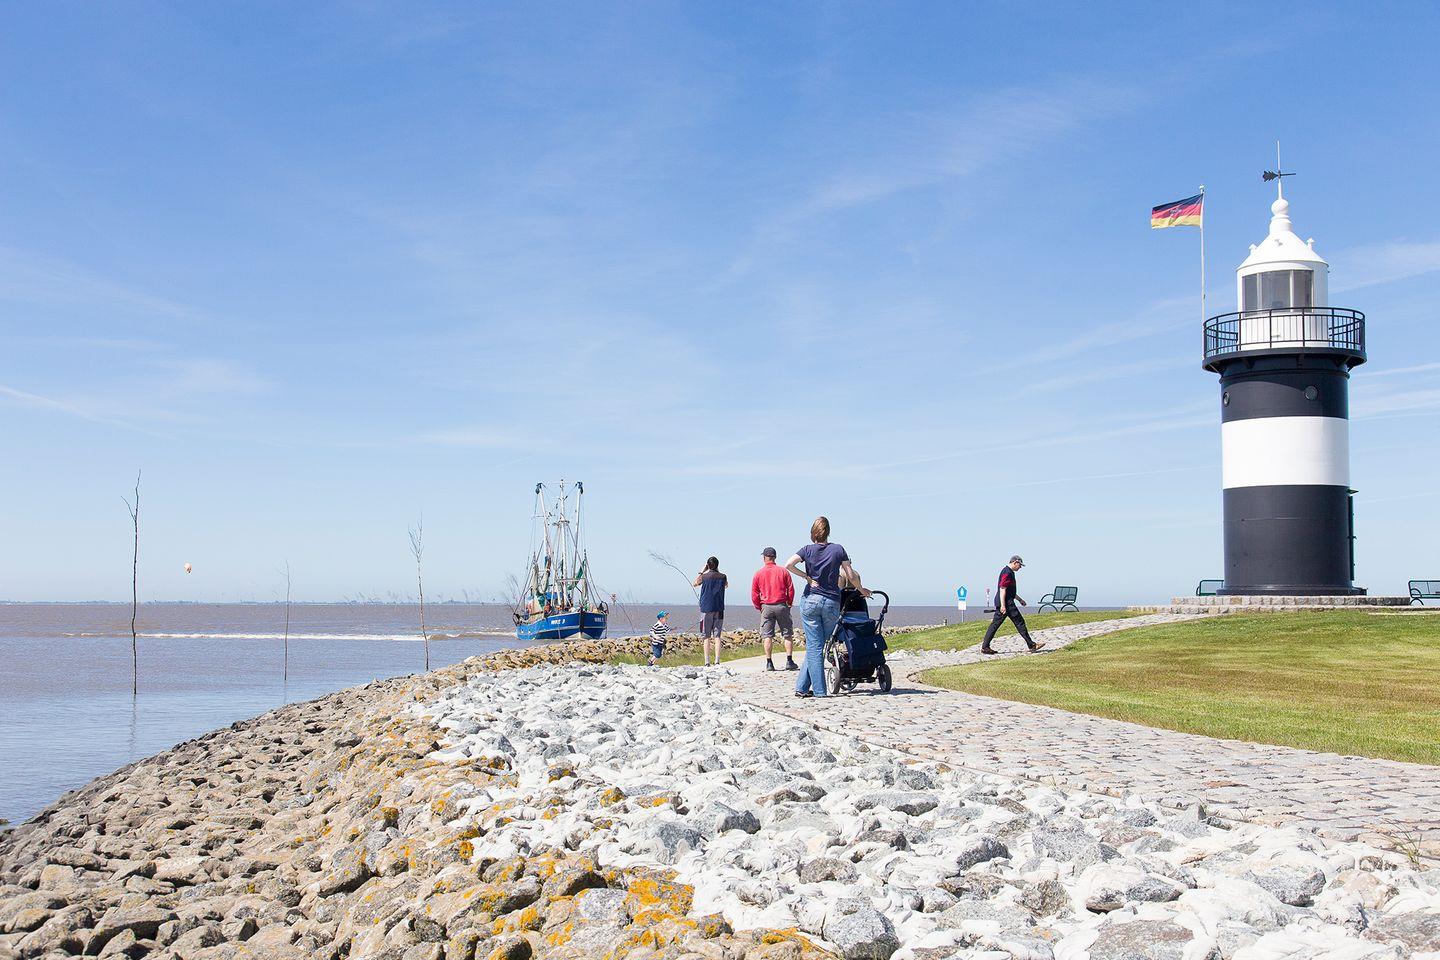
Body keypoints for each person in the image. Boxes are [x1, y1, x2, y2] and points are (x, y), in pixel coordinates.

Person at [785, 516, 867, 698]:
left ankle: (813, 690)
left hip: (811, 601)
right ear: (828, 532)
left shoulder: (807, 550)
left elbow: (788, 564)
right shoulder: (838, 549)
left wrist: (806, 577)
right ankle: (807, 689)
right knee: (818, 646)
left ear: (813, 532)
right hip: (831, 602)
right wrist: (862, 590)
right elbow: (851, 575)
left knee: (815, 647)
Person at [981, 555, 1046, 655]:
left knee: (995, 625)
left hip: (1006, 602)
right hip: (1007, 604)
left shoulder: (1008, 572)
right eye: (1020, 565)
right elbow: (1003, 589)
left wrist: (1020, 600)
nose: (1020, 568)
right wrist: (1003, 605)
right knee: (1020, 623)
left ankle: (985, 647)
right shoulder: (1007, 573)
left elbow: (1010, 590)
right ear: (1015, 562)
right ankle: (1032, 645)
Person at [751, 547, 797, 672]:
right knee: (787, 634)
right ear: (775, 557)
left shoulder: (758, 573)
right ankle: (789, 660)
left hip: (766, 606)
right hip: (781, 605)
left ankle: (769, 662)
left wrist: (759, 606)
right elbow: (790, 589)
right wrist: (789, 603)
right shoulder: (783, 571)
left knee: (767, 636)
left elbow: (754, 593)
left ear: (764, 558)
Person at [692, 557, 728, 666]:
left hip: (706, 609)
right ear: (717, 565)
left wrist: (701, 571)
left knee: (706, 636)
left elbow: (695, 583)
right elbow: (726, 586)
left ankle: (707, 661)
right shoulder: (723, 576)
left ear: (708, 565)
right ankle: (717, 660)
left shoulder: (704, 576)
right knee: (717, 636)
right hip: (719, 608)